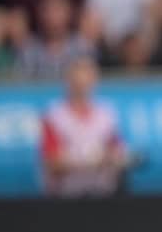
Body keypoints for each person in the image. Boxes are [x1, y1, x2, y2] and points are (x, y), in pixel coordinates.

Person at [40, 55, 131, 198]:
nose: (82, 82)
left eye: (88, 75)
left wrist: (113, 157)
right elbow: (52, 162)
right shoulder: (54, 115)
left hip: (102, 192)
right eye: (77, 76)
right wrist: (87, 162)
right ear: (68, 79)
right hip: (66, 194)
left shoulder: (106, 113)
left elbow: (117, 150)